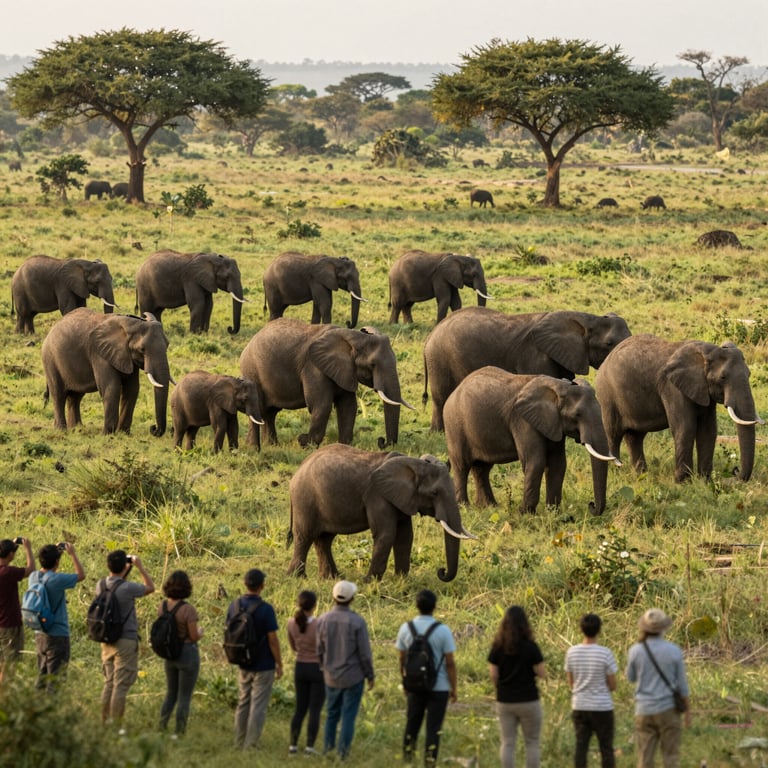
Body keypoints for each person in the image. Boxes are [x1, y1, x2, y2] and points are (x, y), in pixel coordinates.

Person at [395, 588, 458, 765]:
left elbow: (402, 659)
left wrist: (405, 681)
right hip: (439, 688)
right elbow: (450, 663)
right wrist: (454, 688)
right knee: (433, 729)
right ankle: (429, 763)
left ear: (416, 606)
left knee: (412, 725)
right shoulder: (443, 630)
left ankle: (408, 761)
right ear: (435, 607)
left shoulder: (406, 628)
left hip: (414, 685)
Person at [315, 580, 375, 760]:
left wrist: (323, 668)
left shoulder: (323, 619)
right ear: (352, 599)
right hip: (353, 677)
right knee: (348, 716)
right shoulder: (357, 621)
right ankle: (343, 754)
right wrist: (370, 675)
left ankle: (328, 749)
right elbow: (364, 653)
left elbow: (318, 650)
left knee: (332, 714)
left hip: (330, 676)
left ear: (333, 597)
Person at [626, 608, 690, 768]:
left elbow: (631, 678)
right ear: (664, 628)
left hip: (644, 709)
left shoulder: (635, 650)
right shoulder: (674, 650)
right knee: (670, 757)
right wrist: (688, 713)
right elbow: (682, 685)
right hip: (668, 708)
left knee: (645, 758)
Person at [97, 549, 155, 725]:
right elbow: (150, 587)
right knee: (120, 686)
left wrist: (125, 568)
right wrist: (139, 566)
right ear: (124, 566)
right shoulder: (129, 588)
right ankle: (116, 726)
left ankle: (104, 721)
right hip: (126, 640)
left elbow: (117, 583)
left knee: (109, 683)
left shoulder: (100, 584)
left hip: (106, 639)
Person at [228, 568, 283, 750]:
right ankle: (251, 744)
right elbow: (273, 640)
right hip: (264, 664)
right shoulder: (266, 609)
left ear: (245, 583)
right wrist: (279, 663)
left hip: (243, 661)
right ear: (262, 586)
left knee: (243, 701)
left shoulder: (234, 606)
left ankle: (238, 741)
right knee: (258, 705)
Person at [488, 605, 546, 768]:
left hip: (505, 700)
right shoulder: (531, 646)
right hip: (529, 699)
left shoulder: (497, 647)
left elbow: (493, 675)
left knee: (507, 743)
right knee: (532, 743)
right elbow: (541, 672)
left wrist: (500, 687)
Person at [29, 542, 85, 691]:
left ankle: (35, 710)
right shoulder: (56, 579)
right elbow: (81, 575)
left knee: (42, 676)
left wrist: (52, 552)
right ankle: (52, 711)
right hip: (57, 633)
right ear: (57, 561)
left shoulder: (33, 576)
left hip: (39, 632)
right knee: (56, 680)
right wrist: (72, 554)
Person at [564, 613, 618, 768]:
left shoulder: (572, 652)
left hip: (580, 705)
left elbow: (571, 683)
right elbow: (613, 685)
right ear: (599, 630)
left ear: (581, 630)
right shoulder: (605, 653)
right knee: (606, 748)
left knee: (581, 747)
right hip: (602, 707)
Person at [157, 570, 204, 735]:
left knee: (171, 693)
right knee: (184, 696)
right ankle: (179, 731)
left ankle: (161, 726)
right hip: (187, 652)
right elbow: (193, 636)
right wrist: (200, 632)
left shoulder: (162, 607)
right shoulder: (188, 610)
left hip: (170, 653)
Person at [286, 590, 325, 755]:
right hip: (317, 668)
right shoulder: (319, 624)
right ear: (315, 605)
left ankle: (293, 746)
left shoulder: (291, 623)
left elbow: (293, 646)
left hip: (300, 667)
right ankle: (309, 747)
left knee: (300, 708)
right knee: (314, 710)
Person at [0, 537, 35, 679]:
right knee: (10, 665)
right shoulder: (7, 572)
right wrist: (28, 548)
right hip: (10, 625)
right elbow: (31, 570)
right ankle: (6, 696)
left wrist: (11, 545)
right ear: (10, 555)